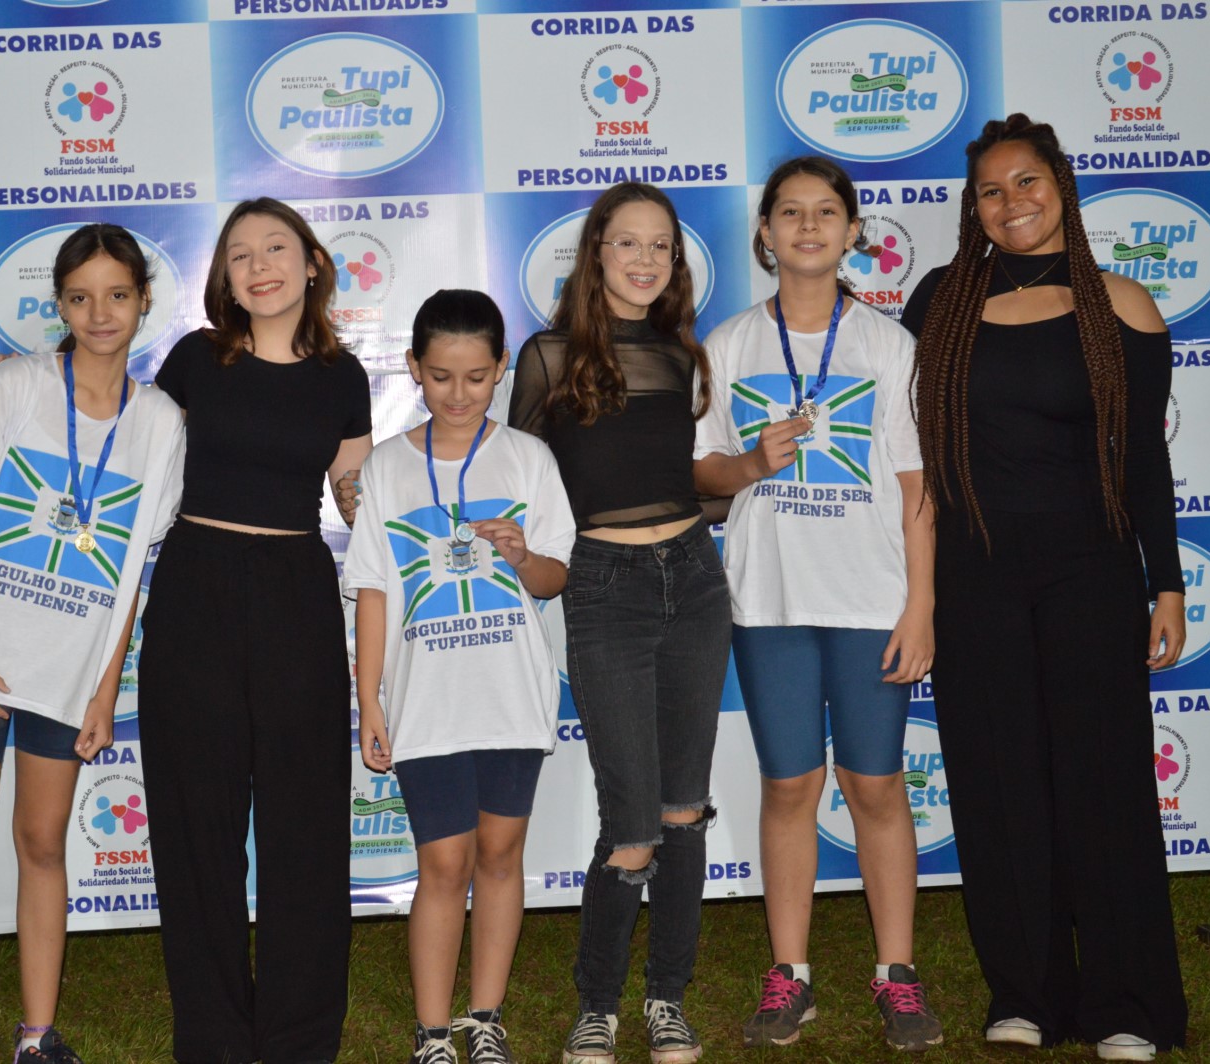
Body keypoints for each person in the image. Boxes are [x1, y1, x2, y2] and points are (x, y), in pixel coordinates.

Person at [902, 114, 1187, 1062]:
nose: (1010, 202)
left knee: (1102, 782)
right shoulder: (940, 300)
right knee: (997, 784)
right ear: (972, 207)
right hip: (973, 577)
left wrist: (1167, 585)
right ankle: (1022, 993)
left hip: (1090, 575)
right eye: (990, 190)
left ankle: (1125, 1004)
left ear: (1060, 185)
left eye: (1025, 181)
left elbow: (1143, 459)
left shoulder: (1122, 305)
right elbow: (905, 445)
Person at [0, 223, 185, 1064]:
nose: (99, 314)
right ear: (60, 306)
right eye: (79, 297)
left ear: (143, 301)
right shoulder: (18, 385)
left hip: (66, 676)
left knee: (42, 845)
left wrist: (104, 689)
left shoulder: (162, 423)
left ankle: (36, 1039)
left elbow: (131, 574)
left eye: (117, 295)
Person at [692, 156, 943, 1052]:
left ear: (852, 231)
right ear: (764, 233)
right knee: (790, 783)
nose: (807, 226)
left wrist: (921, 605)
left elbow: (916, 487)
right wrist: (751, 462)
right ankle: (789, 974)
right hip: (771, 599)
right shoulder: (727, 345)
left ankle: (896, 973)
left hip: (872, 597)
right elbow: (702, 471)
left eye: (826, 211)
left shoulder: (888, 345)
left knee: (875, 783)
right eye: (790, 212)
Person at [139, 198, 373, 1064]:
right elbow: (120, 442)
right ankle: (211, 1036)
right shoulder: (194, 360)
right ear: (225, 278)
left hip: (295, 590)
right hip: (195, 586)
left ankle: (299, 1037)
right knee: (195, 821)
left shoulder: (344, 377)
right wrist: (36, 382)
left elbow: (353, 495)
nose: (260, 265)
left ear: (312, 263)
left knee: (304, 822)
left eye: (276, 247)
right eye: (241, 254)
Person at [509, 182, 731, 1064]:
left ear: (676, 261)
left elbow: (686, 483)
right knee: (632, 820)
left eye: (661, 246)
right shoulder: (547, 356)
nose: (645, 259)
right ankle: (596, 1006)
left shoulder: (682, 355)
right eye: (628, 242)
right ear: (595, 251)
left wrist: (752, 475)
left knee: (683, 810)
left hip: (696, 581)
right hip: (603, 588)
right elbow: (519, 477)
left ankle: (666, 999)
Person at [348, 289, 576, 1064]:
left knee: (501, 856)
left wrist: (521, 554)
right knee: (443, 863)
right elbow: (373, 591)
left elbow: (553, 578)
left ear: (501, 368)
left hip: (510, 696)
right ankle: (433, 1030)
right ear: (414, 368)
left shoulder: (528, 458)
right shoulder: (387, 467)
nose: (458, 393)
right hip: (427, 702)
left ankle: (484, 1018)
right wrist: (369, 701)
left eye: (476, 377)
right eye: (441, 376)